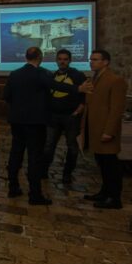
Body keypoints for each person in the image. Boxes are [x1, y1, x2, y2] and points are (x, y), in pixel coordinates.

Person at [4, 47, 91, 205]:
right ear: (40, 57)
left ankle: (13, 187)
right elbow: (56, 85)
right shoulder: (42, 73)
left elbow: (6, 96)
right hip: (35, 122)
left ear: (26, 57)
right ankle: (35, 194)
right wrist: (77, 88)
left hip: (17, 121)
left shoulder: (14, 74)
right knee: (34, 157)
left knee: (15, 153)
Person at [81, 50, 127, 209]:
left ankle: (114, 198)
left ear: (106, 62)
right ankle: (105, 192)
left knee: (111, 165)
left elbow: (116, 109)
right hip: (95, 128)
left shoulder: (115, 80)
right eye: (91, 59)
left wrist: (109, 131)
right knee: (102, 163)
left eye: (95, 59)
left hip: (105, 129)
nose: (91, 62)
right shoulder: (93, 79)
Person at [42, 49, 86, 184]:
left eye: (65, 59)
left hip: (70, 117)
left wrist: (77, 112)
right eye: (60, 59)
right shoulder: (52, 76)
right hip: (53, 117)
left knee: (72, 147)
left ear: (70, 60)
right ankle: (44, 170)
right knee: (48, 146)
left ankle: (67, 173)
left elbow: (84, 97)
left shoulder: (78, 75)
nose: (62, 61)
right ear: (56, 60)